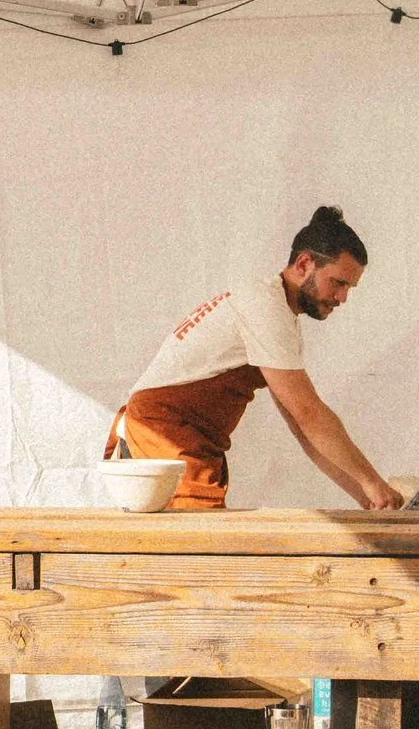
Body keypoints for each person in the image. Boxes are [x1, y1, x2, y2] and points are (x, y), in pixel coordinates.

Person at [110, 207, 402, 512]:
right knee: (202, 546)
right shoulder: (264, 307)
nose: (343, 298)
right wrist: (373, 484)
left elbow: (303, 428)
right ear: (304, 264)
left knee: (208, 546)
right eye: (338, 283)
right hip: (161, 430)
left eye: (349, 288)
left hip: (185, 437)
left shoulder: (278, 313)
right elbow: (309, 413)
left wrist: (368, 499)